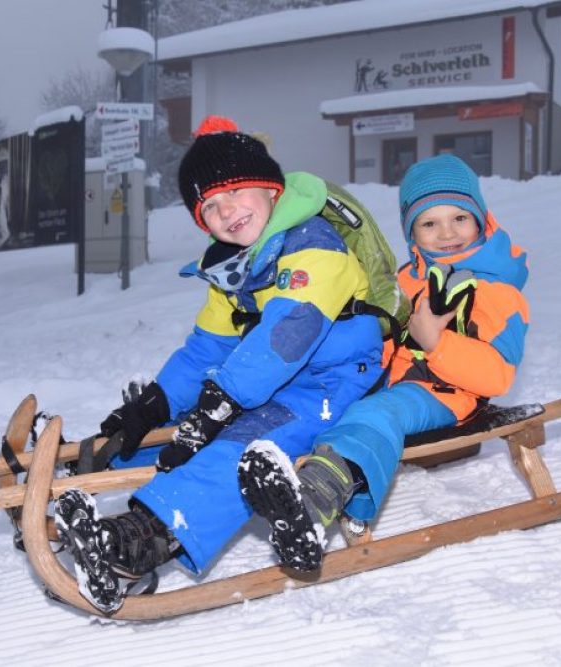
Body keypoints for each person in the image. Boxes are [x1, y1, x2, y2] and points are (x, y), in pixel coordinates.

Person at [55, 116, 385, 613]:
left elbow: (290, 331)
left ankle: (144, 539)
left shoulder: (314, 244)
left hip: (330, 384)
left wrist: (226, 397)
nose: (225, 210)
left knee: (241, 441)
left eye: (235, 191)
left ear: (271, 189)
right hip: (266, 380)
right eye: (209, 205)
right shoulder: (237, 268)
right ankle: (88, 472)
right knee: (185, 425)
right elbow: (206, 350)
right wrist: (155, 403)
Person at [238, 153, 530, 572]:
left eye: (459, 219)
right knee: (326, 399)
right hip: (388, 380)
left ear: (481, 220)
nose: (446, 233)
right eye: (429, 223)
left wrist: (437, 345)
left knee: (379, 412)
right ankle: (272, 474)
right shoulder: (408, 278)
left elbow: (496, 375)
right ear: (412, 232)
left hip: (448, 395)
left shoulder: (499, 293)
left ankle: (315, 498)